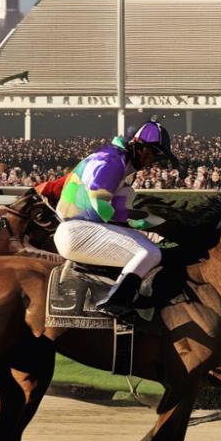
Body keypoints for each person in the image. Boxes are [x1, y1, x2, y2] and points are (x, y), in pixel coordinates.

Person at [53, 121, 176, 317]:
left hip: (85, 228)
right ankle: (114, 301)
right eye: (152, 153)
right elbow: (101, 207)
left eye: (157, 156)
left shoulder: (121, 166)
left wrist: (155, 223)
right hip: (78, 231)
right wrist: (140, 222)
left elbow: (120, 210)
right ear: (139, 146)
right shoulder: (110, 161)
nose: (153, 160)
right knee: (150, 252)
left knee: (143, 228)